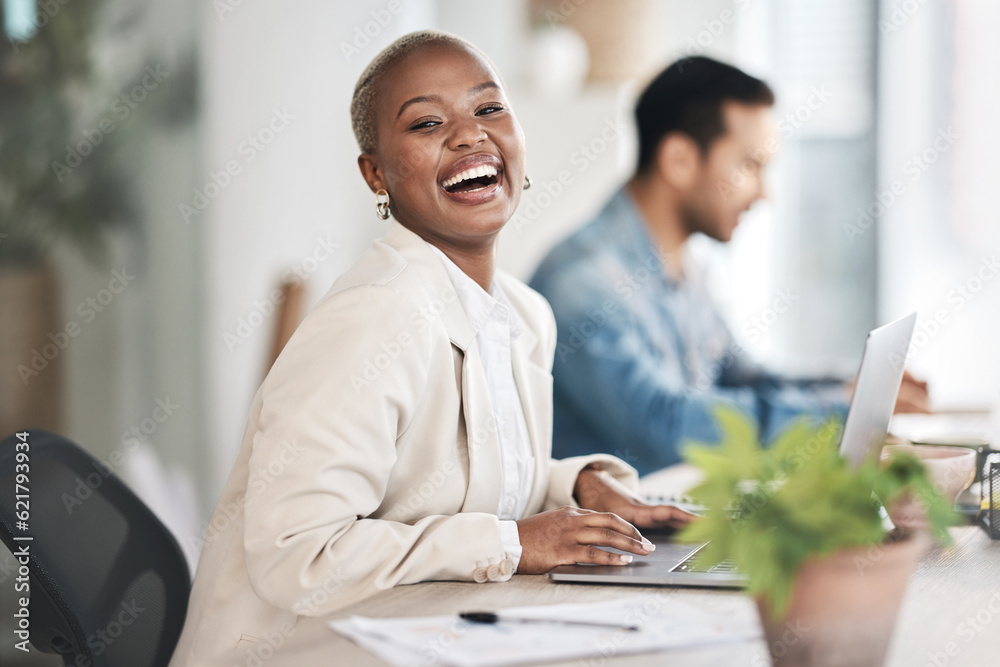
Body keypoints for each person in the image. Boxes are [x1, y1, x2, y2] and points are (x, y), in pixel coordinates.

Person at [169, 31, 694, 667]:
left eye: (490, 108)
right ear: (376, 174)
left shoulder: (525, 316)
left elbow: (472, 489)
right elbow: (296, 555)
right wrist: (516, 544)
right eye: (426, 122)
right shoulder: (370, 319)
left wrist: (577, 488)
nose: (470, 135)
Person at [529, 56, 930, 477]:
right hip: (624, 538)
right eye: (749, 165)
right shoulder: (582, 281)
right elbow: (665, 424)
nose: (765, 194)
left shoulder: (684, 267)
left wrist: (857, 388)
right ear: (679, 159)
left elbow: (740, 377)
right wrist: (838, 410)